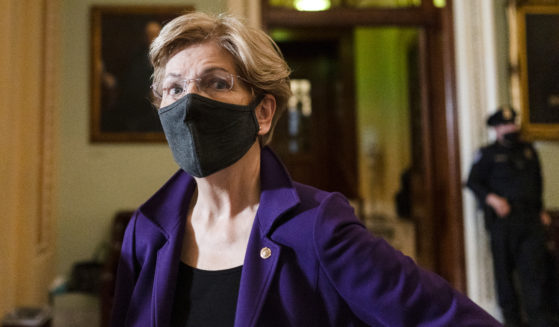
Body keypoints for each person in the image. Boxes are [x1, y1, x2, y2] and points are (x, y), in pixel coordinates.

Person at [110, 11, 501, 327]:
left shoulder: (317, 227)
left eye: (216, 83)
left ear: (262, 113)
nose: (190, 102)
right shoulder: (147, 230)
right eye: (175, 89)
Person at [467, 106, 557, 327]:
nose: (511, 127)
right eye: (506, 125)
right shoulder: (487, 154)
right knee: (505, 279)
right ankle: (512, 323)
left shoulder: (528, 151)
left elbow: (537, 183)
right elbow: (473, 182)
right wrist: (493, 200)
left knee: (535, 276)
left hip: (529, 219)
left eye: (513, 123)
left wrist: (540, 209)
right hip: (503, 223)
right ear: (496, 129)